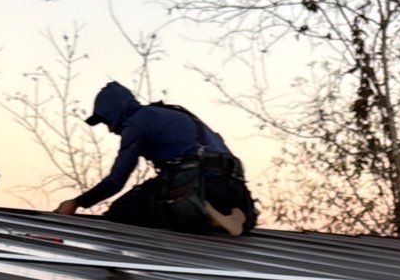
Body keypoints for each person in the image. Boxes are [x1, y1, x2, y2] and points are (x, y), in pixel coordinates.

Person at [56, 82, 257, 235]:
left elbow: (117, 181)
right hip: (232, 186)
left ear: (114, 113)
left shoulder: (135, 123)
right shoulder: (168, 113)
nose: (109, 130)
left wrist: (77, 202)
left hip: (197, 181)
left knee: (123, 210)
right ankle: (218, 216)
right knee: (160, 192)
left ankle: (200, 214)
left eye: (106, 122)